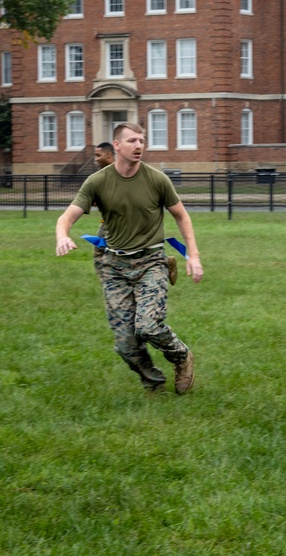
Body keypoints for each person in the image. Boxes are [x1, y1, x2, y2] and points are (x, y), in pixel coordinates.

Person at [55, 123, 202, 394]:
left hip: (150, 261)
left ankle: (181, 357)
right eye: (132, 140)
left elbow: (181, 215)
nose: (139, 146)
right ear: (117, 145)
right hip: (114, 267)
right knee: (125, 344)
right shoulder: (98, 181)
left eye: (142, 140)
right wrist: (62, 235)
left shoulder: (157, 179)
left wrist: (193, 255)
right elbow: (67, 216)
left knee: (147, 326)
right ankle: (153, 382)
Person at [92, 142, 177, 286]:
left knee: (102, 251)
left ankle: (159, 264)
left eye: (98, 155)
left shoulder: (121, 170)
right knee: (100, 249)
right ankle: (111, 280)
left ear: (109, 155)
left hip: (126, 220)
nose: (96, 159)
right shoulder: (100, 176)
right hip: (111, 221)